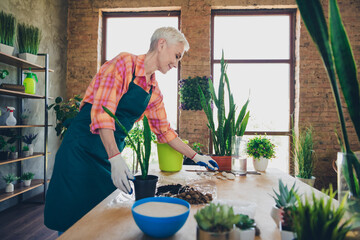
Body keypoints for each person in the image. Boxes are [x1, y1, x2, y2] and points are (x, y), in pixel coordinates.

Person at [44, 26, 219, 233]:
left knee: (101, 219)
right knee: (72, 220)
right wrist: (115, 157)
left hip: (108, 155)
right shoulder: (123, 64)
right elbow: (102, 113)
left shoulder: (153, 92)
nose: (176, 63)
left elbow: (164, 132)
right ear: (162, 44)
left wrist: (196, 156)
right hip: (81, 150)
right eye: (176, 55)